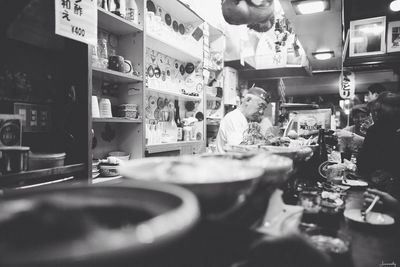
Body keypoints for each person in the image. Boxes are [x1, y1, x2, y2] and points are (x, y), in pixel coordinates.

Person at [357, 92, 400, 199]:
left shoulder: (376, 130)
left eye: (375, 112)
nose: (373, 115)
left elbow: (363, 165)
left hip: (381, 190)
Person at [216, 86, 271, 152]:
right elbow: (238, 151)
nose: (261, 112)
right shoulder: (234, 118)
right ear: (248, 100)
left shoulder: (244, 119)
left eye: (264, 109)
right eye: (260, 106)